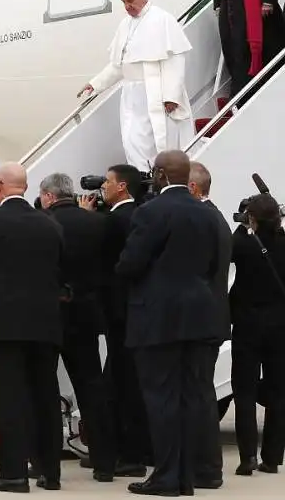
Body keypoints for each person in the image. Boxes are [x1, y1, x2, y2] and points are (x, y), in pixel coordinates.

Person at [116, 150, 223, 495]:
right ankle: (188, 475)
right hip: (200, 312)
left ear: (160, 175)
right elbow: (212, 265)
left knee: (161, 398)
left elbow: (131, 263)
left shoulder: (151, 212)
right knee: (192, 397)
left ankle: (166, 476)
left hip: (158, 316)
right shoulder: (209, 213)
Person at [0, 163, 64, 493]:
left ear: (1, 186)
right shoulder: (50, 224)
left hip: (4, 324)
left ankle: (13, 473)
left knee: (10, 400)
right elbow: (61, 272)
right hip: (46, 324)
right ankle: (50, 471)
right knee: (45, 396)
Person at [38, 173, 115, 481]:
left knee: (45, 389)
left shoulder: (41, 224)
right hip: (86, 316)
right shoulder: (98, 223)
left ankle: (47, 463)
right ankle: (105, 461)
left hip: (49, 315)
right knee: (92, 388)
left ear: (47, 196)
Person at [79, 0, 194, 170]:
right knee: (132, 139)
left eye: (130, 1)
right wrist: (96, 84)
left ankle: (162, 176)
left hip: (156, 91)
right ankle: (141, 173)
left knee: (159, 139)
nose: (127, 6)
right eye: (123, 2)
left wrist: (172, 96)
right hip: (132, 95)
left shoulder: (162, 19)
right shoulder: (125, 25)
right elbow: (119, 65)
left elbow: (175, 60)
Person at [81, 165, 151, 476]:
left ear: (122, 186)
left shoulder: (117, 219)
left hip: (119, 313)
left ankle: (129, 455)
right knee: (125, 382)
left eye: (107, 182)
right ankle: (133, 450)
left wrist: (87, 217)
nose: (103, 187)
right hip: (136, 312)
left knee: (124, 385)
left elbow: (98, 254)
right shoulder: (140, 215)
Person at [228, 193, 285, 475]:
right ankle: (273, 457)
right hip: (280, 325)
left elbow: (228, 250)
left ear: (252, 218)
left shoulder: (242, 242)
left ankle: (247, 456)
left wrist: (242, 225)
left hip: (247, 323)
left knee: (245, 391)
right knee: (278, 391)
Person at [187, 161, 232, 487]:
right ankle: (206, 466)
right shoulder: (216, 218)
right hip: (211, 319)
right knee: (200, 393)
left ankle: (205, 467)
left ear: (193, 188)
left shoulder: (205, 221)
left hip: (200, 321)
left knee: (198, 394)